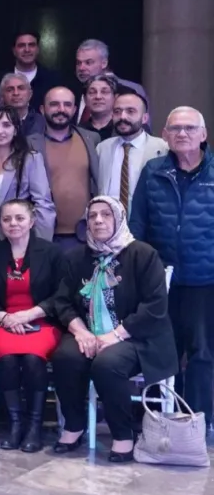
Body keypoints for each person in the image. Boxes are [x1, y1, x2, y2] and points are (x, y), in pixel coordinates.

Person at [51, 196, 177, 461]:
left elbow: (154, 306)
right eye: (92, 215)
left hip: (137, 337)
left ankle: (122, 434)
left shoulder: (143, 254)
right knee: (65, 356)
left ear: (119, 219)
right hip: (88, 332)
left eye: (106, 214)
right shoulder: (76, 257)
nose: (98, 220)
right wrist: (81, 332)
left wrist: (115, 335)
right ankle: (74, 425)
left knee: (108, 364)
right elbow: (61, 301)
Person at [130, 106, 214, 438]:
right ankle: (158, 423)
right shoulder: (153, 171)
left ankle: (197, 423)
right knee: (162, 354)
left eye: (190, 128)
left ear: (203, 135)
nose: (182, 134)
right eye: (175, 128)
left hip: (205, 279)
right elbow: (138, 223)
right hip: (160, 280)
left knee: (202, 353)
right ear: (164, 135)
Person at [0, 199, 64, 452]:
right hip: (3, 322)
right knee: (6, 358)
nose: (13, 224)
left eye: (19, 218)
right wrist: (4, 317)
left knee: (31, 358)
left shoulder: (51, 253)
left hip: (41, 322)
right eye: (6, 219)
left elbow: (61, 295)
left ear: (32, 221)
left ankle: (34, 427)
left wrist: (28, 315)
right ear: (0, 224)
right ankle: (15, 425)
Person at [29, 87, 101, 251]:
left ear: (74, 110)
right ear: (42, 109)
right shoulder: (30, 144)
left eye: (67, 105)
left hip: (86, 235)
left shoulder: (91, 139)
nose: (61, 109)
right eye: (54, 104)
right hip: (45, 235)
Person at [0, 106, 55, 246]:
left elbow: (43, 204)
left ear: (15, 130)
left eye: (6, 125)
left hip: (14, 231)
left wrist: (42, 245)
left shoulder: (29, 159)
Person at [95, 92, 167, 216]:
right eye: (117, 112)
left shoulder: (162, 148)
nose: (122, 117)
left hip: (148, 221)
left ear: (145, 118)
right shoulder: (103, 148)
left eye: (130, 111)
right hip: (109, 222)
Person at [79, 74, 117, 139]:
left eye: (104, 92)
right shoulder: (78, 132)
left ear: (115, 97)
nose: (98, 97)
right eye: (92, 92)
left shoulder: (122, 128)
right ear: (85, 99)